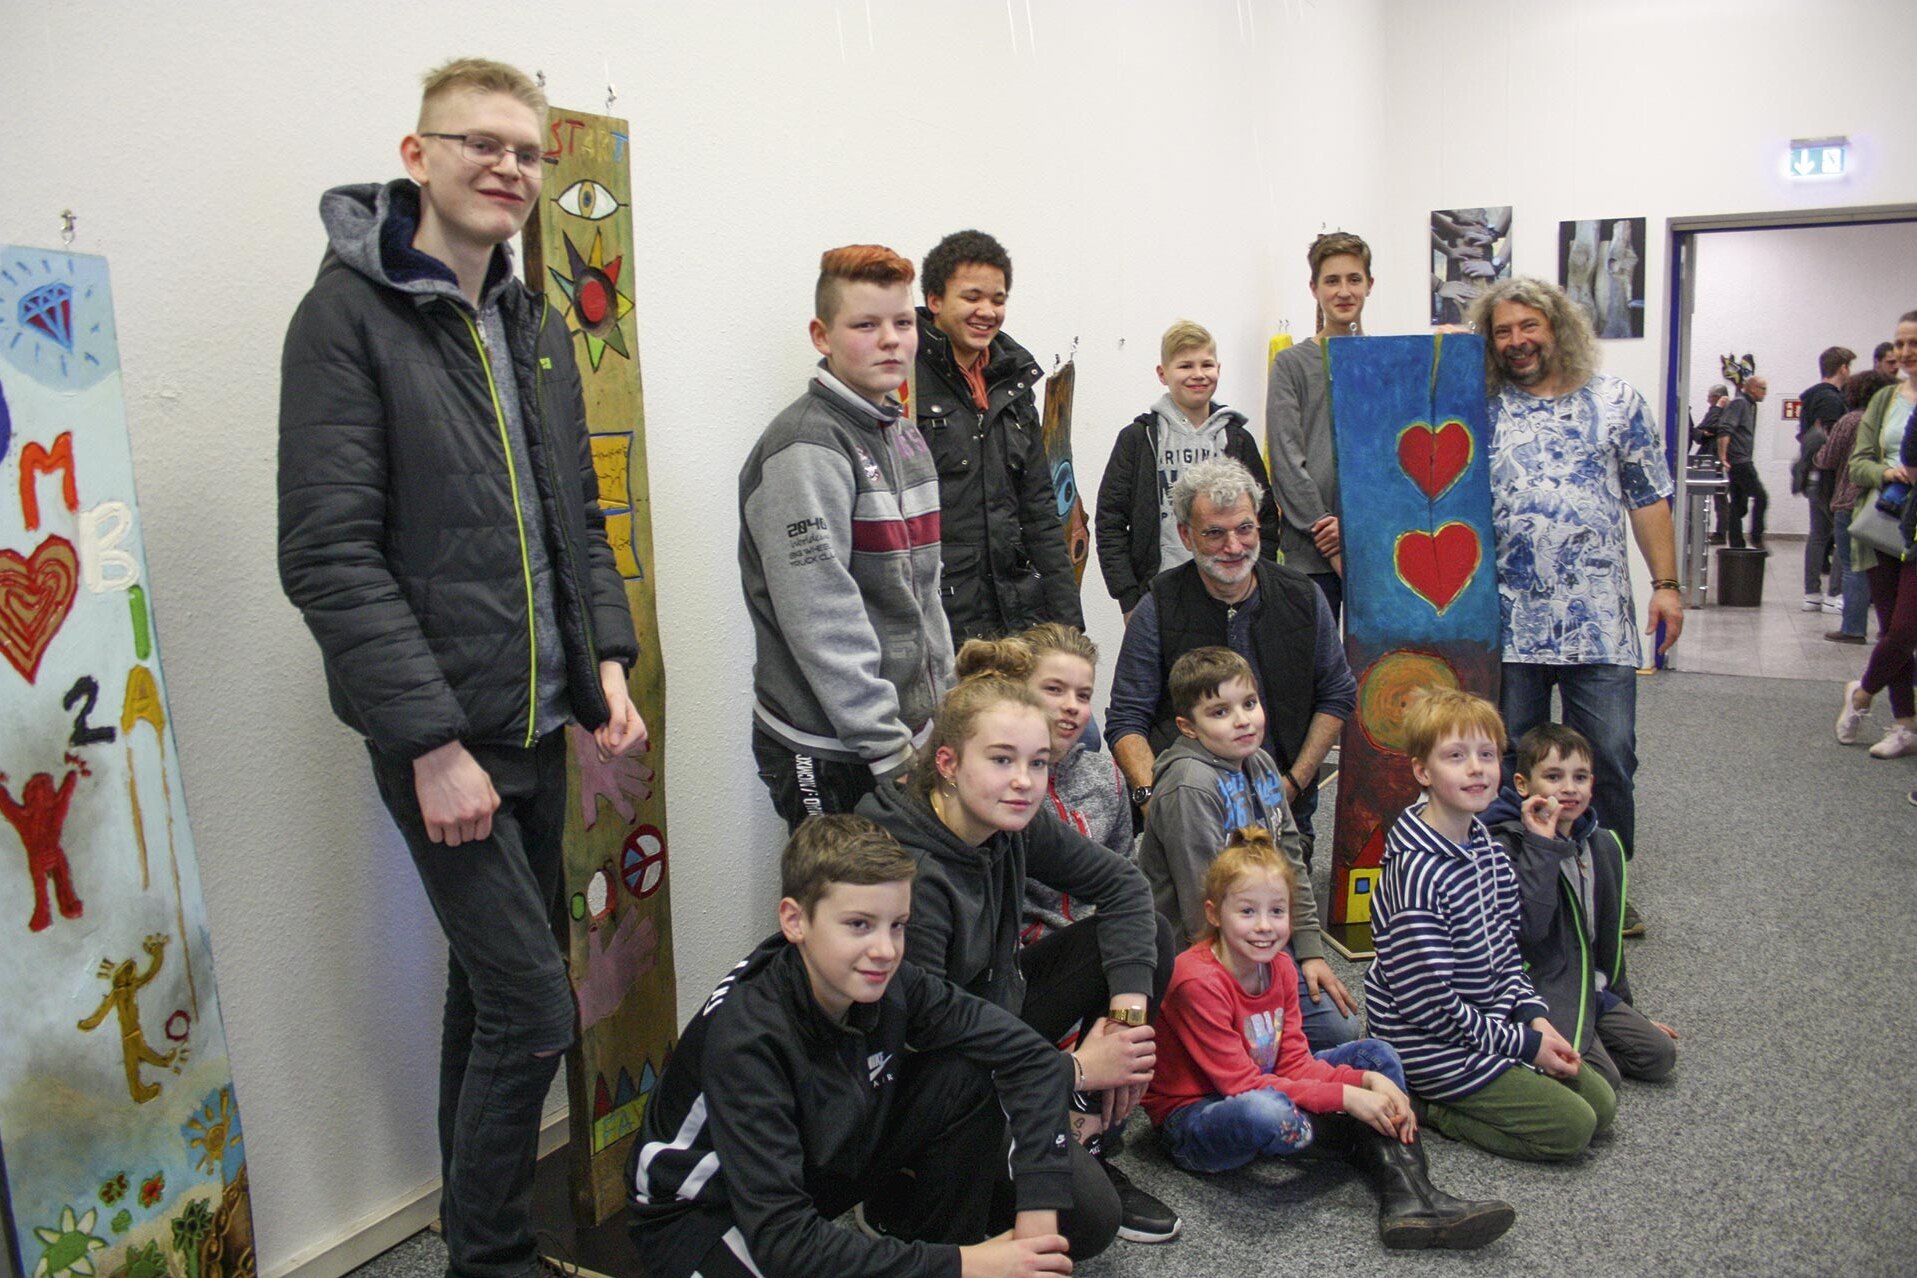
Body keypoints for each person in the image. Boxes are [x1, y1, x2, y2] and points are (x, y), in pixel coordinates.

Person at [277, 59, 648, 1278]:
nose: (507, 167)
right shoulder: (346, 317)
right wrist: (431, 746)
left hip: (537, 724)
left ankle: (465, 1235)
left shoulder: (531, 324)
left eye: (527, 153)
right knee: (538, 1008)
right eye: (478, 142)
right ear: (416, 153)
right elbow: (327, 556)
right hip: (446, 736)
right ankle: (488, 1259)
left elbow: (575, 518)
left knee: (490, 999)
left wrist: (606, 667)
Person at [628, 814, 1089, 1277]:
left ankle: (942, 1245)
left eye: (898, 925)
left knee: (965, 1074)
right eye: (859, 924)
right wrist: (969, 1264)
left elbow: (1029, 1056)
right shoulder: (748, 1039)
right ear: (794, 920)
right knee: (801, 1253)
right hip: (702, 1213)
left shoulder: (891, 980)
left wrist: (1038, 1209)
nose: (886, 950)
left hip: (809, 1163)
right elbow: (785, 1244)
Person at [857, 650, 1182, 1244]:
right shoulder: (908, 873)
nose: (1023, 782)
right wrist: (1072, 1068)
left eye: (1036, 763)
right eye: (1002, 760)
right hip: (924, 1071)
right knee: (1090, 1225)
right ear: (949, 764)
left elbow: (1124, 885)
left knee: (1151, 936)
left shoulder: (1008, 815)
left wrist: (1126, 1025)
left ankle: (1079, 1128)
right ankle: (910, 1200)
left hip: (992, 1022)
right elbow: (926, 1025)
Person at [1143, 828, 1516, 1251]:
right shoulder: (1197, 981)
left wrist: (1366, 1083)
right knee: (1268, 1112)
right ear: (1214, 913)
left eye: (1277, 912)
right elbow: (1242, 1086)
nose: (1265, 927)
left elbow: (1295, 1064)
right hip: (1195, 1115)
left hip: (1267, 1084)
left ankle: (1411, 1196)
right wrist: (1347, 1097)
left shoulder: (1281, 966)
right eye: (1247, 912)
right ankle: (1374, 1149)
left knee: (1379, 1057)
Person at [1467, 278, 1682, 934]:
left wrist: (1667, 585)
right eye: (1501, 332)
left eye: (1527, 327)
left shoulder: (1616, 403)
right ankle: (1514, 888)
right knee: (1506, 763)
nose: (1516, 342)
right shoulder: (1482, 407)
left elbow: (1647, 498)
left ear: (1557, 328)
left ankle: (1607, 892)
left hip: (1597, 622)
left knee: (1609, 756)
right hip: (1507, 622)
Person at [741, 244, 957, 829]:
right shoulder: (806, 447)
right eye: (866, 324)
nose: (891, 340)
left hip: (905, 735)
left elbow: (926, 595)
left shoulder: (906, 438)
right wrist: (890, 749)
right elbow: (822, 617)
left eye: (903, 322)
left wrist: (948, 712)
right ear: (822, 334)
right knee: (841, 913)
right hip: (832, 747)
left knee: (906, 911)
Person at [1363, 689, 1617, 1163]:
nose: (1477, 769)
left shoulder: (1484, 843)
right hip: (1430, 1044)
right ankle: (1430, 1105)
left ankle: (1501, 1067)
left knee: (1601, 1105)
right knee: (1573, 1130)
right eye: (1456, 757)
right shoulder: (1417, 873)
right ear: (1423, 772)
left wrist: (1533, 1016)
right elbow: (1431, 1008)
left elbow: (1506, 953)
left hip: (1487, 1024)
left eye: (1486, 755)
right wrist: (1525, 1046)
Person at [1106, 457, 1355, 868]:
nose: (1234, 547)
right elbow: (1127, 718)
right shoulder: (1158, 607)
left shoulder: (1305, 598)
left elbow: (1337, 693)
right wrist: (1153, 802)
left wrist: (1293, 784)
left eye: (1245, 529)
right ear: (1186, 536)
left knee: (1275, 920)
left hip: (1284, 806)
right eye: (1215, 534)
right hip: (1188, 811)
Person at [1137, 646, 1358, 1051]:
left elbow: (1290, 859)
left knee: (1338, 1030)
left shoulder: (1259, 762)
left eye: (1249, 704)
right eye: (1220, 712)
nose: (1243, 721)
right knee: (1253, 1055)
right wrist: (1257, 992)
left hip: (1258, 932)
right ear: (1188, 727)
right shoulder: (1190, 786)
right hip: (1203, 952)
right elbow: (1200, 908)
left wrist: (1309, 951)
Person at [1484, 725, 1678, 1091]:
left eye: (1580, 777)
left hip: (1588, 985)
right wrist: (1541, 847)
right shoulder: (1507, 843)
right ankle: (1533, 1041)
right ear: (1523, 785)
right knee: (1604, 1078)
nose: (1569, 788)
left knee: (1659, 1054)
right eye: (1554, 776)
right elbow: (1528, 930)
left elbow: (1607, 942)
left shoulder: (1603, 846)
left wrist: (1629, 1010)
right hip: (1539, 986)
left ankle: (1589, 1031)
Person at [915, 230, 1084, 643]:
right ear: (935, 300)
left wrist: (1069, 629)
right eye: (972, 297)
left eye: (998, 299)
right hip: (939, 623)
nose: (986, 311)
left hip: (1017, 619)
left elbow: (1041, 510)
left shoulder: (1012, 382)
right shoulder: (903, 382)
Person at [1095, 320, 1280, 620]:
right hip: (1158, 595)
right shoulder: (1138, 440)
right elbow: (1110, 522)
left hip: (1232, 595)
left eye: (1206, 364)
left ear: (1218, 368)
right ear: (1162, 373)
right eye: (1185, 366)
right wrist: (1129, 598)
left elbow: (1266, 517)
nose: (1198, 375)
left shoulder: (1237, 439)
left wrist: (1258, 582)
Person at [1265, 232, 1377, 619]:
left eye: (1353, 279)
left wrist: (1354, 528)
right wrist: (1327, 532)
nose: (1344, 291)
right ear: (1314, 288)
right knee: (1314, 671)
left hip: (1373, 546)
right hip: (1310, 553)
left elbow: (1389, 459)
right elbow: (1285, 456)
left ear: (1369, 285)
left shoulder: (1386, 362)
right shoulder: (1291, 365)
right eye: (1332, 280)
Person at [1011, 623, 1134, 943]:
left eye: (1083, 696)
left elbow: (1125, 877)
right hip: (1028, 954)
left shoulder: (1107, 776)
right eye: (1054, 689)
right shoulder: (998, 782)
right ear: (1017, 690)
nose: (1072, 706)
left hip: (1099, 941)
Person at [1835, 311, 1917, 760]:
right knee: (1890, 629)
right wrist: (1890, 470)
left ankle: (1862, 694)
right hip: (1883, 523)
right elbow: (1857, 464)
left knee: (1905, 630)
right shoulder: (1886, 400)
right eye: (1900, 343)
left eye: (1914, 343)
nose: (1906, 352)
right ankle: (1905, 724)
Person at [1818, 371, 1896, 644]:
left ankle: (1853, 627)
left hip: (1850, 500)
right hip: (1888, 502)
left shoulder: (1851, 420)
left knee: (1853, 566)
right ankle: (1890, 628)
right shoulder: (1892, 420)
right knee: (1885, 567)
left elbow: (1827, 458)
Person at [1795, 346, 1854, 613]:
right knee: (1844, 535)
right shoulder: (1831, 400)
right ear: (1842, 367)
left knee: (1818, 535)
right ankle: (1835, 594)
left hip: (1812, 476)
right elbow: (1833, 442)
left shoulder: (1810, 398)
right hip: (1830, 478)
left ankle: (1812, 594)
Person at [1717, 374, 1771, 551]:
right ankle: (1756, 536)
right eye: (1763, 388)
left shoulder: (1749, 405)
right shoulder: (1740, 403)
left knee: (1738, 505)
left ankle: (1736, 544)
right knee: (1761, 497)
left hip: (1741, 460)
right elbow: (1725, 429)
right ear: (1753, 388)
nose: (1765, 392)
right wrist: (1723, 456)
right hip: (1740, 461)